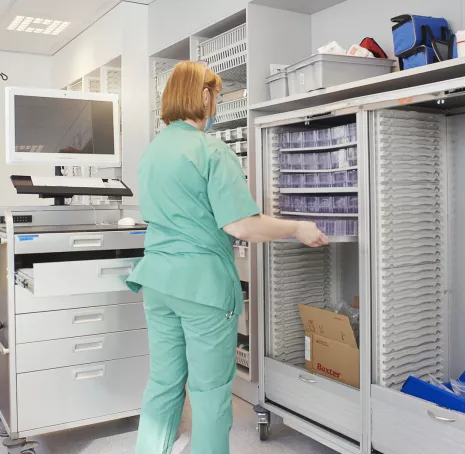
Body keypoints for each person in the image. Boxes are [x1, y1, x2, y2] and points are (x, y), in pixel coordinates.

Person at [126, 61, 329, 454]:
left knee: (164, 383)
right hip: (201, 288)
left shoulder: (153, 151)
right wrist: (297, 227)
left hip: (157, 283)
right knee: (210, 393)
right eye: (215, 95)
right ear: (203, 95)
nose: (215, 104)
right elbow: (243, 226)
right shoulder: (210, 150)